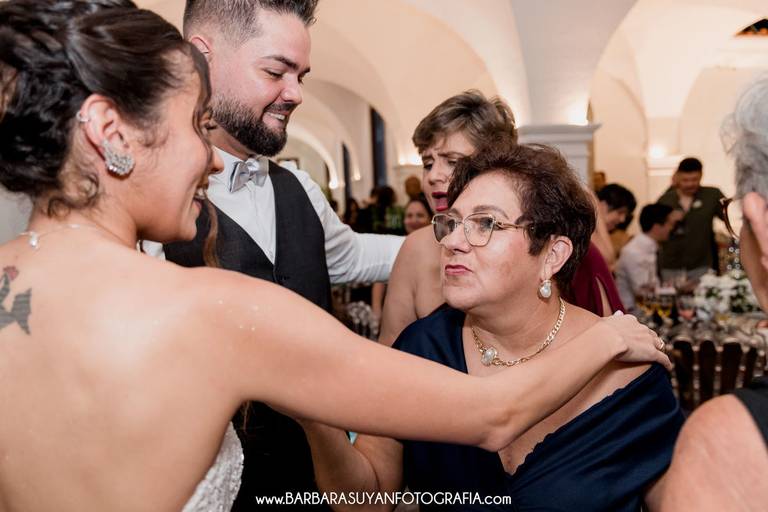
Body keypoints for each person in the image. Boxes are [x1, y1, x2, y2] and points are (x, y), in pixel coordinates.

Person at [0, 2, 672, 511]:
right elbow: (491, 414)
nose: (210, 157)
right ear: (109, 132)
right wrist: (606, 338)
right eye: (191, 127)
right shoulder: (216, 309)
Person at [301, 141, 683, 511]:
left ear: (552, 255)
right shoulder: (422, 348)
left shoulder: (628, 371)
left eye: (485, 223)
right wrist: (315, 415)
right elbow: (366, 502)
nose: (452, 241)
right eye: (451, 223)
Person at [158, 1, 404, 507]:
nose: (295, 94)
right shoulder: (154, 197)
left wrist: (451, 245)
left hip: (317, 479)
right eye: (275, 72)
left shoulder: (299, 188)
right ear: (201, 59)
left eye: (301, 76)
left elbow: (351, 257)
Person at [660, 76, 768, 511]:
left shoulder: (726, 443)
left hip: (703, 265)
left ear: (758, 218)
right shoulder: (668, 198)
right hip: (673, 268)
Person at [379, 90, 517, 345]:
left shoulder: (522, 242)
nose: (433, 176)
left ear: (494, 166)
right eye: (428, 163)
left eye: (452, 162)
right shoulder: (415, 248)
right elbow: (390, 350)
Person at [657, 157, 725, 281]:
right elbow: (654, 228)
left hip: (702, 265)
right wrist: (669, 219)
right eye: (685, 180)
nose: (690, 184)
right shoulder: (665, 199)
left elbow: (728, 217)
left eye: (694, 180)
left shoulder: (712, 195)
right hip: (671, 265)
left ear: (701, 176)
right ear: (677, 177)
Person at [372, 197, 433, 318]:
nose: (414, 220)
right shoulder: (397, 245)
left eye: (420, 215)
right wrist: (376, 310)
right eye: (409, 216)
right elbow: (379, 281)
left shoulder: (437, 248)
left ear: (431, 219)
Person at [615, 203, 675, 312]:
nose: (672, 228)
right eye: (670, 224)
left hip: (648, 309)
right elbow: (644, 293)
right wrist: (675, 290)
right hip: (632, 313)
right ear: (657, 227)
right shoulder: (634, 252)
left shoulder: (651, 247)